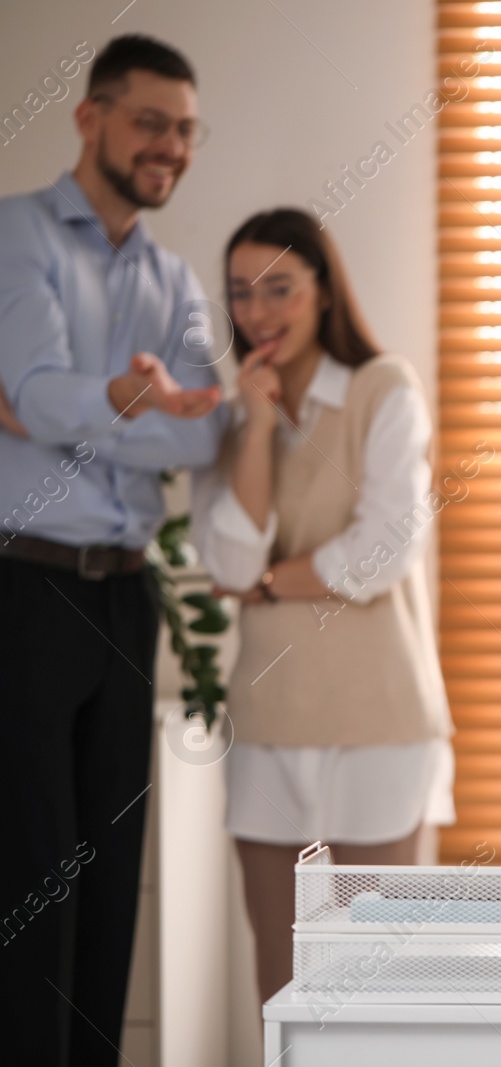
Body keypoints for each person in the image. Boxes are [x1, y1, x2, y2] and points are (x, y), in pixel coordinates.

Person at [0, 35, 226, 1066]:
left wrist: (81, 410)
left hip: (127, 602)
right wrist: (122, 400)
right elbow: (40, 389)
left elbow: (199, 432)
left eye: (184, 129)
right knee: (32, 873)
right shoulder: (19, 237)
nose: (169, 146)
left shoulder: (173, 277)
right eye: (150, 122)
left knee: (109, 864)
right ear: (90, 117)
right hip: (27, 588)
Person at [189, 209, 455, 1005]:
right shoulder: (233, 416)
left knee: (382, 973)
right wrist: (261, 422)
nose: (258, 310)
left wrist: (270, 583)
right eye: (241, 292)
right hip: (269, 719)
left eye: (280, 288)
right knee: (283, 972)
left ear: (324, 292)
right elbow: (231, 558)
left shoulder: (384, 390)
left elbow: (379, 556)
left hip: (380, 718)